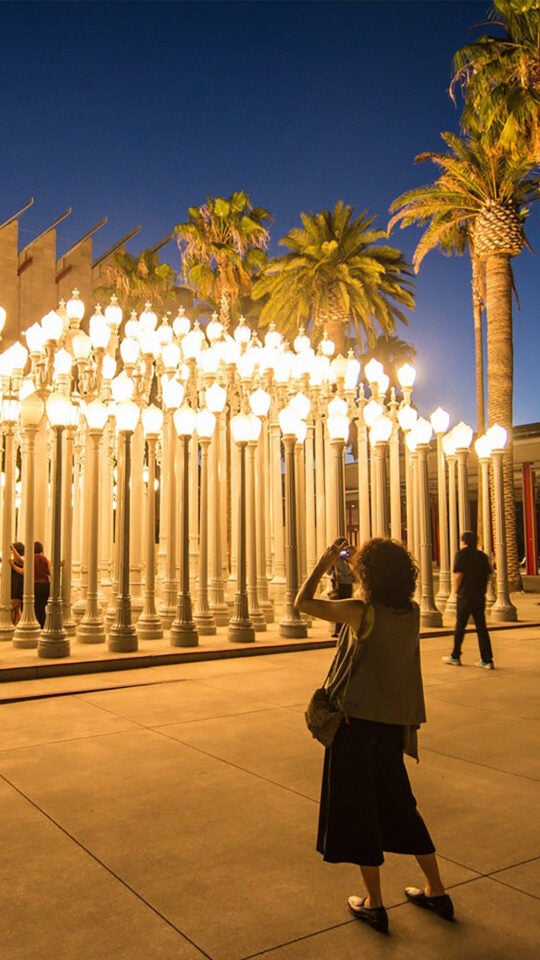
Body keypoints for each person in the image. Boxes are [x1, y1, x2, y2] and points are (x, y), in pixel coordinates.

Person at [295, 536, 453, 935]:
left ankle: (375, 902)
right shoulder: (411, 612)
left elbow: (303, 603)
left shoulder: (361, 612)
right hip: (389, 728)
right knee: (402, 805)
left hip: (354, 727)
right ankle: (436, 889)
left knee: (358, 812)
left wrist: (324, 562)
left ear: (368, 574)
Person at [443, 530, 494, 670]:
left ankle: (455, 656)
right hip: (479, 596)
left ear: (463, 541)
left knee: (460, 626)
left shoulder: (461, 555)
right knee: (481, 627)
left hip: (465, 595)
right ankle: (487, 659)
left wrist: (455, 591)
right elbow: (489, 575)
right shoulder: (482, 556)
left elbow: (458, 575)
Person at [11, 541, 51, 628]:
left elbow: (23, 571)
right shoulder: (45, 559)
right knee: (41, 609)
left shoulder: (30, 559)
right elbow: (50, 572)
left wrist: (13, 566)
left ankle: (34, 627)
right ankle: (42, 627)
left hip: (34, 587)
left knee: (33, 609)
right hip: (45, 587)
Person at [329, 553, 355, 636]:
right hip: (342, 586)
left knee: (341, 608)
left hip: (343, 586)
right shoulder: (341, 563)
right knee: (342, 608)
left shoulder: (346, 563)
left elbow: (328, 572)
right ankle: (339, 630)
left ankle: (339, 630)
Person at [10, 541, 25, 625]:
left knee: (13, 608)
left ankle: (15, 625)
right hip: (15, 585)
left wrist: (12, 548)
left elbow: (19, 559)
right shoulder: (14, 560)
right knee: (16, 609)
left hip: (17, 587)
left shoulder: (21, 560)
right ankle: (16, 626)